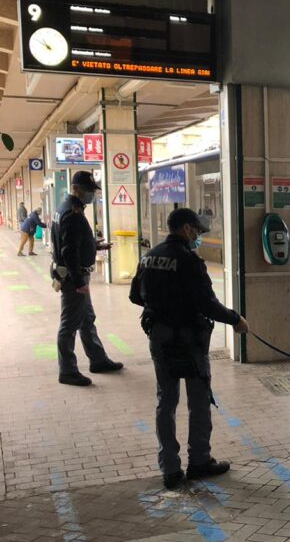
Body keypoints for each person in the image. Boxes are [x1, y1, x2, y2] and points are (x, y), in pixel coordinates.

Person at [129, 208, 249, 489]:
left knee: (165, 403)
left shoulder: (149, 257)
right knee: (198, 401)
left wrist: (161, 306)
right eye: (196, 231)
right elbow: (207, 303)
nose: (197, 236)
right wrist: (235, 319)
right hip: (190, 342)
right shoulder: (189, 261)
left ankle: (170, 469)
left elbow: (135, 295)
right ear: (185, 228)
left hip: (159, 337)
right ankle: (199, 462)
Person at [51, 170, 123, 387]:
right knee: (69, 324)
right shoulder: (73, 213)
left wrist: (95, 245)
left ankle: (98, 360)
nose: (91, 194)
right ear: (76, 189)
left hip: (73, 274)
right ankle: (68, 371)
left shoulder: (65, 208)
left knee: (86, 318)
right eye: (89, 190)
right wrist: (79, 282)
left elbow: (73, 241)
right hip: (74, 278)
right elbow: (68, 250)